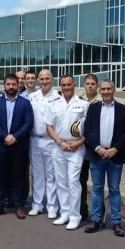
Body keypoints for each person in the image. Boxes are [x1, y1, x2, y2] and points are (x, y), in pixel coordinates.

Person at [82, 80, 125, 236]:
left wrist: (115, 149)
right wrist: (97, 148)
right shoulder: (93, 108)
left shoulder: (124, 110)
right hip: (97, 155)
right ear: (99, 90)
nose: (105, 91)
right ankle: (96, 220)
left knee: (114, 189)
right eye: (103, 89)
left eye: (108, 89)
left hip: (114, 155)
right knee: (97, 189)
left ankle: (116, 223)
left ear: (114, 90)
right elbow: (87, 131)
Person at [0, 73, 33, 218]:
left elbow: (28, 123)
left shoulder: (25, 103)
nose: (11, 87)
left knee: (18, 176)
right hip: (0, 145)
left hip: (18, 146)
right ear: (4, 85)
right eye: (8, 84)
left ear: (17, 85)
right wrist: (5, 136)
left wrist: (15, 136)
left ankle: (19, 206)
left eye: (14, 84)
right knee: (0, 176)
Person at [46, 74, 88, 230]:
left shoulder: (83, 104)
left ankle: (75, 216)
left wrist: (78, 143)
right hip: (59, 146)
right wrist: (59, 142)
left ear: (74, 85)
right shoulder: (54, 104)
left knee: (73, 181)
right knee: (61, 181)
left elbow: (89, 129)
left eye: (69, 84)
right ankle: (64, 213)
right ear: (60, 86)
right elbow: (49, 126)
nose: (66, 88)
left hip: (76, 148)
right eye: (63, 85)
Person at [28, 69, 62, 217]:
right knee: (37, 174)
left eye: (47, 79)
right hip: (35, 139)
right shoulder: (32, 96)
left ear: (52, 79)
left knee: (51, 175)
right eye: (41, 79)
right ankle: (37, 204)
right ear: (38, 81)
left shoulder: (58, 97)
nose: (44, 82)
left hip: (51, 141)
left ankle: (52, 206)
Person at [78, 74, 100, 221]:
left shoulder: (102, 101)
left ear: (97, 86)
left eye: (93, 83)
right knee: (80, 180)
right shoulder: (78, 100)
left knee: (98, 183)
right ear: (84, 85)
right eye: (88, 83)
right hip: (80, 146)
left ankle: (98, 213)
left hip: (96, 147)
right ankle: (81, 209)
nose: (90, 86)